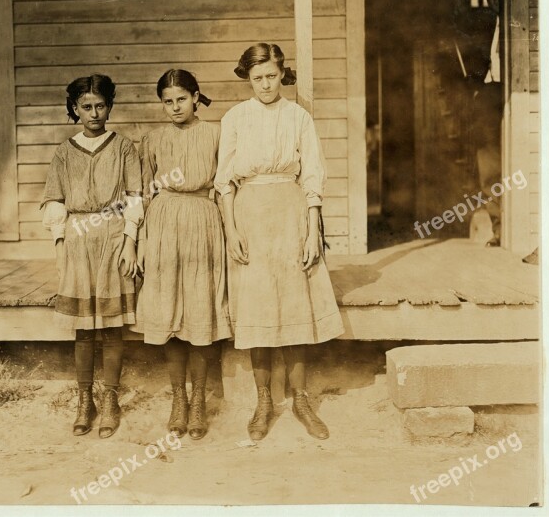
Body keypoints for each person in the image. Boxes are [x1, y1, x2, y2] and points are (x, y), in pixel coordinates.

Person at [214, 43, 344, 441]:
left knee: (294, 307)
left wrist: (311, 230)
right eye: (257, 78)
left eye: (271, 76)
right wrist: (231, 230)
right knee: (258, 310)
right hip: (249, 217)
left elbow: (312, 176)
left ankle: (301, 399)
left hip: (291, 215)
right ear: (247, 79)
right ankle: (264, 401)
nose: (265, 85)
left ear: (281, 72)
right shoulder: (235, 117)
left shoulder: (298, 117)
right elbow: (224, 181)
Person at [133, 69, 233, 440]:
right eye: (167, 101)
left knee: (199, 312)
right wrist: (139, 241)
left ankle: (199, 402)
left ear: (195, 98)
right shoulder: (154, 139)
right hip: (162, 225)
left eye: (181, 99)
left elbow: (224, 187)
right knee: (169, 315)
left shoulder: (216, 134)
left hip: (203, 223)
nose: (175, 107)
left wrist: (230, 232)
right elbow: (142, 194)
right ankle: (178, 399)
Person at [41, 74, 142, 438]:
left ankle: (111, 398)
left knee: (113, 328)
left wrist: (130, 241)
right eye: (86, 107)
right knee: (83, 330)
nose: (94, 113)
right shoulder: (65, 152)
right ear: (74, 109)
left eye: (100, 106)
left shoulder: (124, 147)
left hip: (114, 236)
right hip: (78, 240)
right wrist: (59, 247)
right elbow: (55, 200)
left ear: (110, 107)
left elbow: (134, 197)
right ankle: (86, 400)